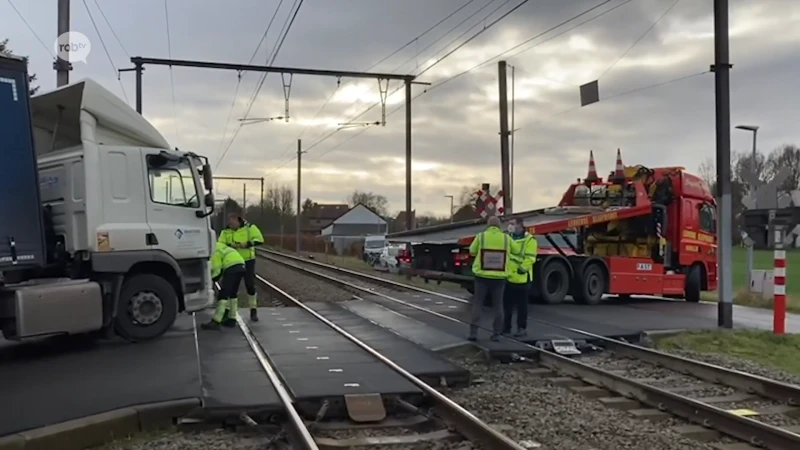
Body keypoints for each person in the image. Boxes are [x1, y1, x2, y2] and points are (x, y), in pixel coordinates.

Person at [467, 216, 520, 341]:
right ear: (499, 226)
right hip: (499, 277)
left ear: (488, 225)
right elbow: (517, 251)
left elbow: (472, 251)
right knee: (498, 305)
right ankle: (496, 333)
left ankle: (473, 333)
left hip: (482, 276)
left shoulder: (481, 236)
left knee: (478, 304)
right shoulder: (506, 238)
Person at [218, 214, 264, 321]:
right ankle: (230, 312)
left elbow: (260, 239)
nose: (230, 225)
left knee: (250, 285)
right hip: (233, 262)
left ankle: (253, 309)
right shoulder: (225, 232)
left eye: (232, 223)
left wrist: (247, 244)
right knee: (232, 287)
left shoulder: (250, 228)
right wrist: (230, 246)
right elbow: (220, 245)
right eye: (229, 223)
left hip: (248, 261)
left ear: (239, 221)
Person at [503, 218, 538, 337]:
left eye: (512, 224)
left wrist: (522, 269)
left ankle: (521, 328)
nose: (510, 226)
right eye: (509, 224)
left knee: (521, 306)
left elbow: (530, 258)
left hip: (522, 278)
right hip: (508, 277)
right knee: (507, 305)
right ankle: (506, 328)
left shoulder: (529, 240)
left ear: (520, 226)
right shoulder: (507, 237)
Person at [201, 242, 246, 330]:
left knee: (223, 294)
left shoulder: (215, 251)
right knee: (233, 293)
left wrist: (210, 280)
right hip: (241, 265)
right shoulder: (221, 246)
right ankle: (232, 319)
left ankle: (216, 321)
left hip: (231, 267)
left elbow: (217, 270)